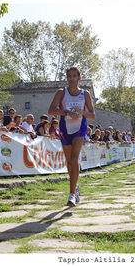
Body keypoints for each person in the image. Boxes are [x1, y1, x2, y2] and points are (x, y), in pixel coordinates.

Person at [48, 66, 95, 207]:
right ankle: (75, 188)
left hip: (80, 128)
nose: (71, 78)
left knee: (74, 158)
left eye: (74, 76)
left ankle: (71, 195)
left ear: (79, 78)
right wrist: (67, 113)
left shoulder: (85, 94)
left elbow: (92, 115)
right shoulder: (61, 92)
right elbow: (51, 110)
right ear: (67, 78)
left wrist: (82, 112)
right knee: (69, 162)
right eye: (69, 76)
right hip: (65, 128)